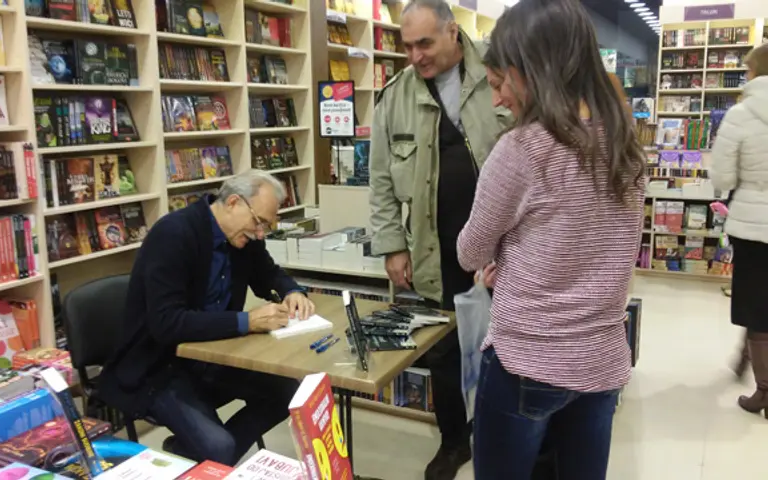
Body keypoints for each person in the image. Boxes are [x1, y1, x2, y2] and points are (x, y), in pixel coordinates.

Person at [456, 0, 646, 478]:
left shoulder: (522, 148)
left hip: (527, 359)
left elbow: (469, 252)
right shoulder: (624, 142)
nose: (497, 99)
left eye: (501, 81)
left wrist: (503, 257)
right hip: (601, 359)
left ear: (533, 70)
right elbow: (598, 248)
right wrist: (519, 257)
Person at [368, 0, 513, 477]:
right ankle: (454, 442)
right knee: (443, 349)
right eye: (407, 45)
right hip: (435, 248)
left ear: (453, 32)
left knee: (507, 345)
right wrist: (393, 244)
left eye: (425, 43)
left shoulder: (503, 71)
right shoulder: (395, 96)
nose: (415, 56)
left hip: (507, 247)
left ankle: (503, 437)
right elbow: (381, 180)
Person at [97, 170, 315, 465]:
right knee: (219, 448)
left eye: (266, 226)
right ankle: (205, 456)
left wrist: (292, 291)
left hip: (214, 356)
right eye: (259, 222)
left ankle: (189, 454)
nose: (260, 233)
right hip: (158, 367)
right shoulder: (174, 234)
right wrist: (246, 321)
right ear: (233, 202)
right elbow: (167, 323)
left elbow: (268, 273)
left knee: (289, 392)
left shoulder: (244, 237)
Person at [711, 42, 768, 416]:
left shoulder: (741, 114)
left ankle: (764, 391)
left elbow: (723, 176)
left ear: (754, 72)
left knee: (755, 304)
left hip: (753, 224)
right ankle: (745, 360)